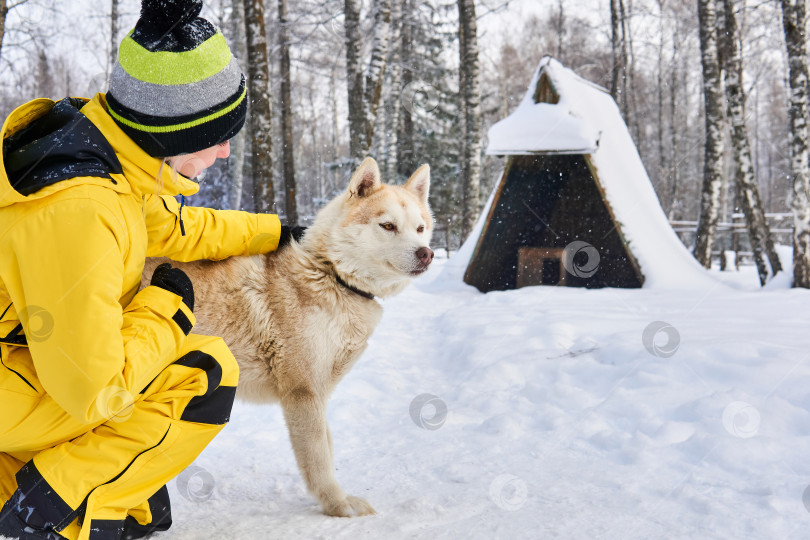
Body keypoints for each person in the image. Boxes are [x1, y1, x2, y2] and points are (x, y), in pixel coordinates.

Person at [0, 0, 291, 538]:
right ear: (175, 131)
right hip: (21, 383)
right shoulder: (82, 210)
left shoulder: (106, 155)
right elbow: (96, 389)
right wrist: (166, 308)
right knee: (203, 368)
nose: (226, 151)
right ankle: (46, 514)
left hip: (19, 369)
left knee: (136, 493)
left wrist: (273, 232)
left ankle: (27, 482)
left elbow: (178, 228)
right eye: (219, 134)